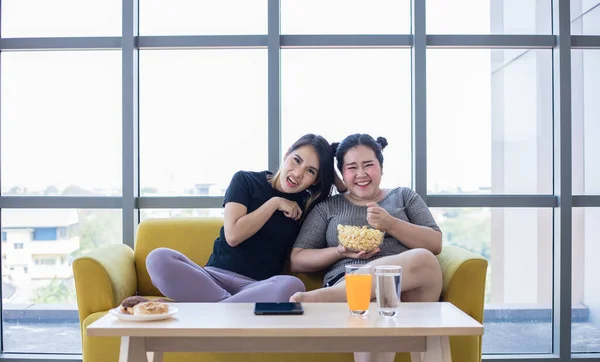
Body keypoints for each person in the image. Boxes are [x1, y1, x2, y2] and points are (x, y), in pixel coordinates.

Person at [289, 133, 443, 362]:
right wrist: (339, 251)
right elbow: (297, 259)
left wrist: (390, 223)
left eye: (368, 165)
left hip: (410, 288)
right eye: (352, 167)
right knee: (375, 302)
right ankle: (345, 295)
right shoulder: (329, 207)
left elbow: (435, 243)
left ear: (381, 167)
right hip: (357, 291)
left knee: (424, 258)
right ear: (343, 173)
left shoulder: (404, 197)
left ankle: (326, 299)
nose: (361, 174)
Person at [146, 134, 335, 303]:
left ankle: (212, 310)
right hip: (212, 279)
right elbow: (234, 235)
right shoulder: (246, 180)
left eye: (310, 171)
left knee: (293, 286)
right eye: (296, 160)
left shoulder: (307, 205)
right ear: (286, 155)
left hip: (257, 288)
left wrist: (333, 167)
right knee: (158, 258)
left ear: (316, 180)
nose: (298, 173)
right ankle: (231, 310)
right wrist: (274, 203)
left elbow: (345, 199)